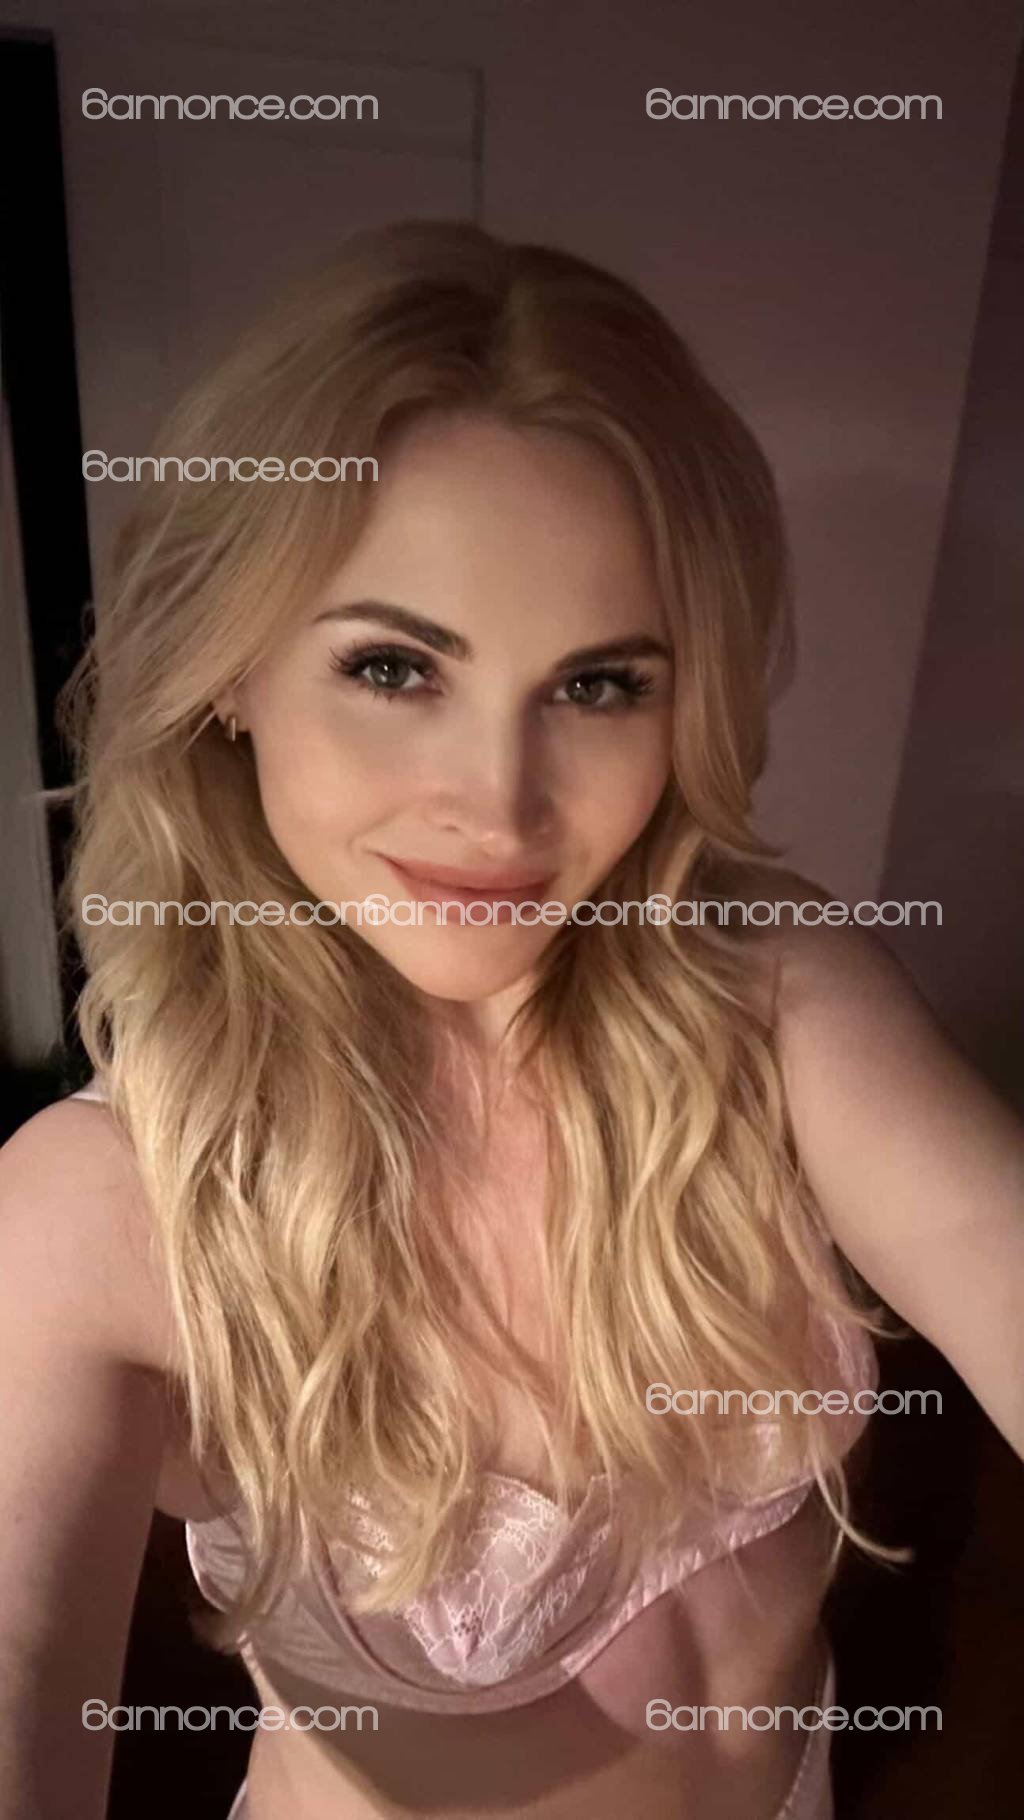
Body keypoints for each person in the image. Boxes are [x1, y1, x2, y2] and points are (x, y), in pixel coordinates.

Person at [2, 221, 1022, 1820]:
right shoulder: (103, 1202)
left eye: (600, 685)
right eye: (395, 667)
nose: (498, 804)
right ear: (231, 670)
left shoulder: (771, 998)